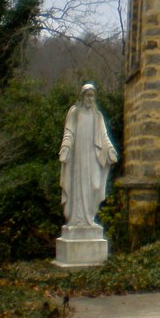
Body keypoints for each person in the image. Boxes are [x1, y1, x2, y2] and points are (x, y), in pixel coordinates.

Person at [59, 84, 118, 228]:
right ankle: (76, 220)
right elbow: (69, 132)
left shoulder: (97, 116)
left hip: (93, 157)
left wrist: (110, 149)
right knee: (78, 186)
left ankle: (89, 218)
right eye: (87, 95)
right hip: (78, 157)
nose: (90, 99)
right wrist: (65, 147)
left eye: (92, 96)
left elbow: (104, 136)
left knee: (95, 186)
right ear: (82, 96)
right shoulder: (74, 112)